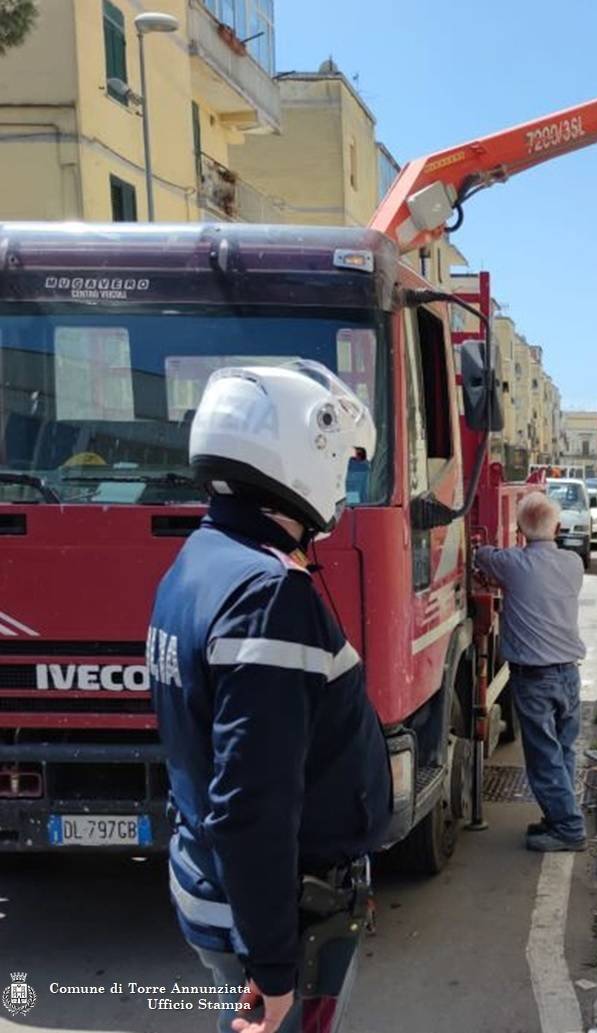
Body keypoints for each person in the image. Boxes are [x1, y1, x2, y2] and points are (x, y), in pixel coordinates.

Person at [147, 361, 391, 1033]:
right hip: (278, 917)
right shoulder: (268, 594)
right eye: (339, 457)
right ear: (300, 453)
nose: (342, 480)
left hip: (216, 887)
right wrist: (273, 974)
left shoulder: (202, 558)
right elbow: (252, 804)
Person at [473, 492, 589, 852]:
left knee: (543, 757)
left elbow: (480, 555)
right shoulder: (572, 563)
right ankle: (558, 817)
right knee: (563, 751)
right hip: (568, 675)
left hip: (535, 678)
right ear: (557, 527)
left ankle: (569, 828)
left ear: (521, 532)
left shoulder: (512, 563)